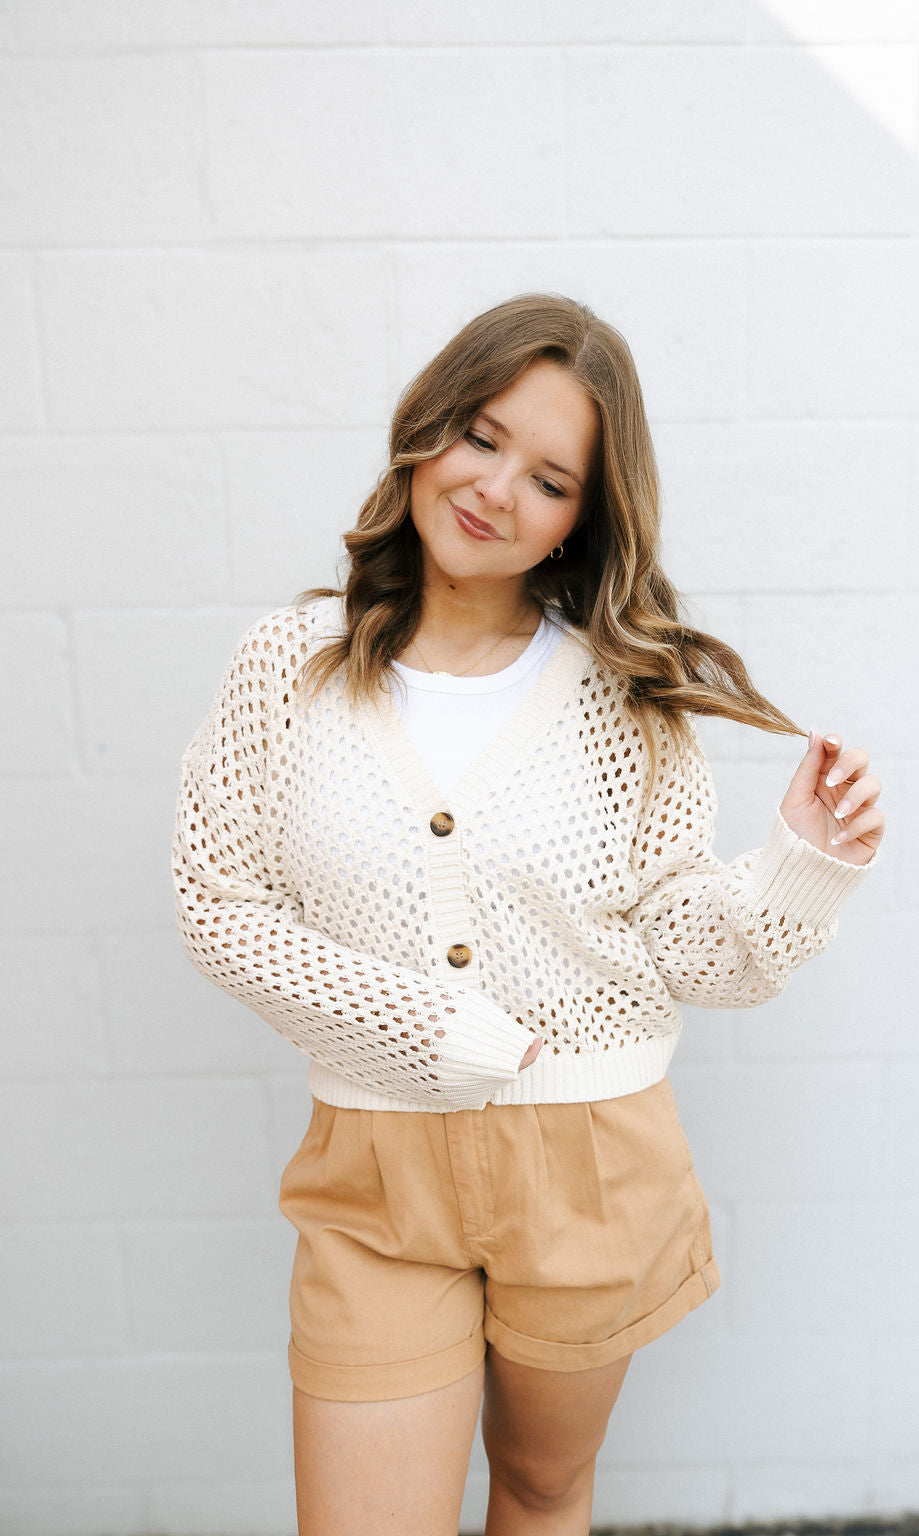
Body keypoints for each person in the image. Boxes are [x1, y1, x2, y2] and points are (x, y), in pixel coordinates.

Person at [172, 293, 883, 1536]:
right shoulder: (287, 664)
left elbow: (680, 944)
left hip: (591, 1158)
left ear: (580, 519)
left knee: (544, 1489)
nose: (496, 491)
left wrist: (801, 863)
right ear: (430, 424)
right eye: (482, 437)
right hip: (376, 1170)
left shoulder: (623, 694)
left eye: (550, 481)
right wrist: (425, 1029)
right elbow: (219, 904)